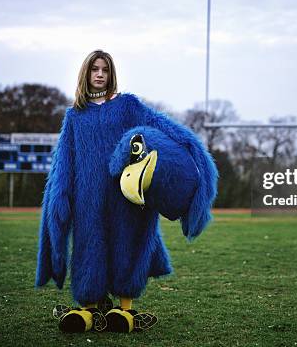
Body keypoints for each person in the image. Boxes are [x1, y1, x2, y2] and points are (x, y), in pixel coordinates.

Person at [35, 49, 218, 334]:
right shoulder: (75, 116)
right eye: (94, 69)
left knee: (127, 244)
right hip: (88, 199)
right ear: (86, 73)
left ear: (111, 74)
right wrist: (61, 197)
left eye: (104, 70)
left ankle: (125, 310)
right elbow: (64, 162)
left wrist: (188, 150)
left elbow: (160, 127)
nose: (99, 74)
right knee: (88, 247)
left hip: (127, 196)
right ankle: (87, 310)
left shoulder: (128, 105)